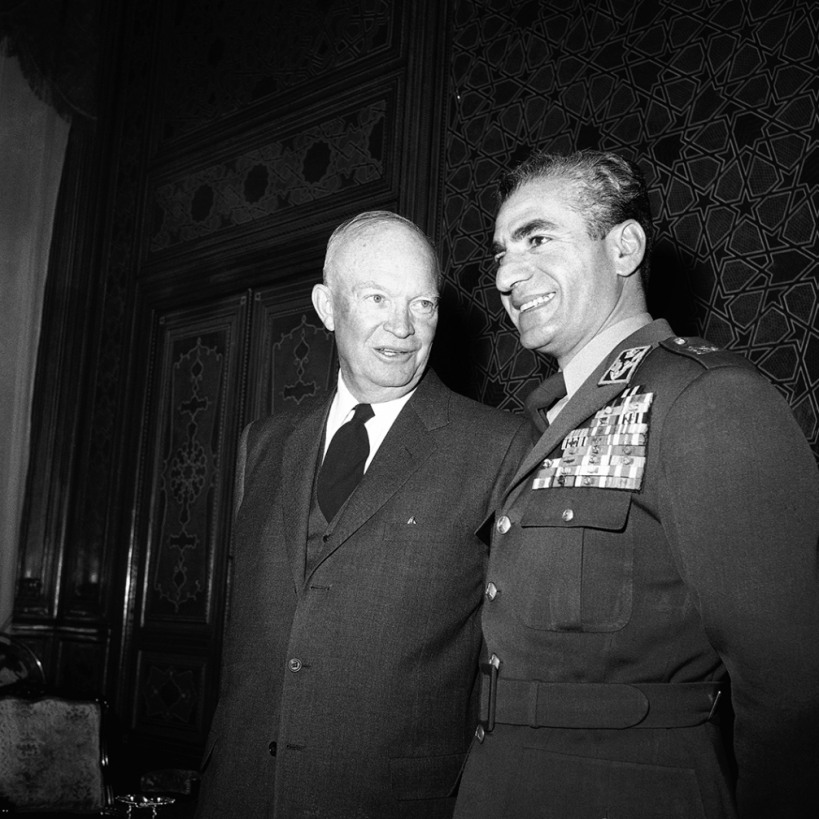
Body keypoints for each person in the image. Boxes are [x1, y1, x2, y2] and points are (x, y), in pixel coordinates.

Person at [453, 149, 819, 819]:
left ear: (623, 246)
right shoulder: (539, 421)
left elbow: (793, 696)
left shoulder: (706, 401)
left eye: (536, 238)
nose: (505, 273)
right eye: (501, 251)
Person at [195, 211, 531, 818]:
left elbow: (509, 660)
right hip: (239, 792)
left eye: (422, 304)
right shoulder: (262, 443)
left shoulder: (499, 448)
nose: (402, 327)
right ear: (327, 307)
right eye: (376, 297)